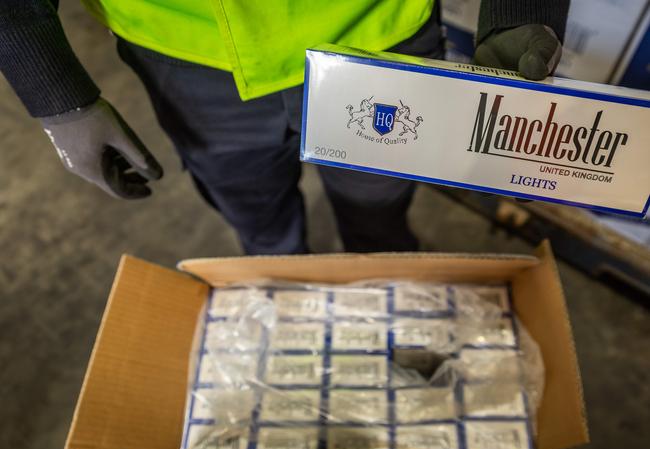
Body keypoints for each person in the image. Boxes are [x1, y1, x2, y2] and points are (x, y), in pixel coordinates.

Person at [0, 0, 569, 254]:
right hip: (188, 52)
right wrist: (54, 90)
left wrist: (521, 6)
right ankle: (278, 286)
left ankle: (384, 280)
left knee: (378, 212)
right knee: (257, 218)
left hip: (374, 35)